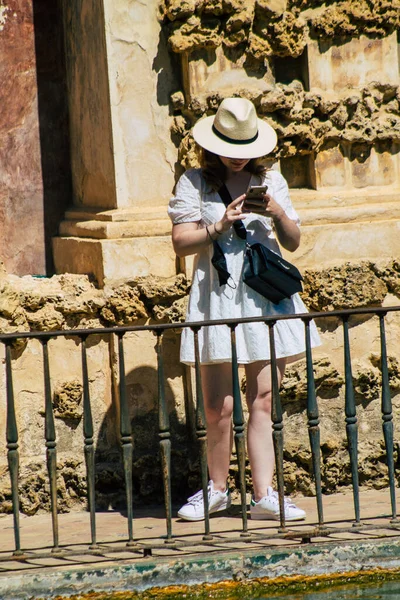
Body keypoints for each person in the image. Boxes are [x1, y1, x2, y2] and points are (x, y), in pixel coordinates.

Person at [168, 97, 320, 522]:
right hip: (216, 295)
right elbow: (181, 243)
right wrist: (218, 226)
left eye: (244, 149)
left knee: (264, 398)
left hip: (264, 297)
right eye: (229, 148)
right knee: (219, 406)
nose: (237, 158)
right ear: (213, 144)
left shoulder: (270, 180)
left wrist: (274, 210)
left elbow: (292, 241)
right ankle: (216, 490)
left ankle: (264, 495)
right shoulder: (194, 182)